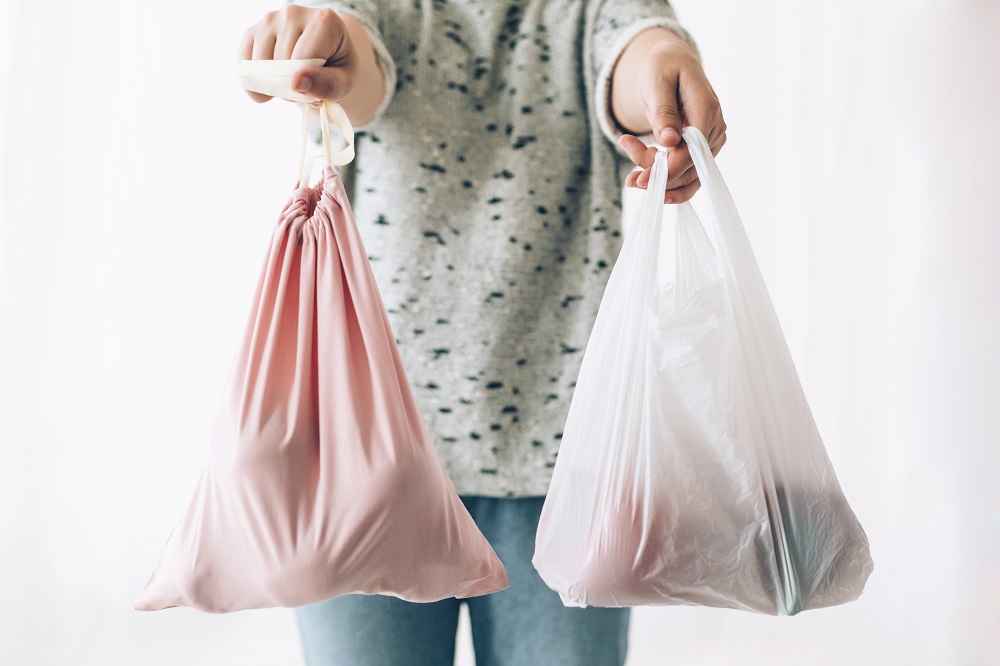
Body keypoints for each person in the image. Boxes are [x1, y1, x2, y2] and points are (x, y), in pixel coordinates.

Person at [238, 1, 725, 663]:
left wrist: (666, 74)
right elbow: (360, 61)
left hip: (562, 470)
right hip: (364, 462)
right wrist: (321, 48)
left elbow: (634, 53)